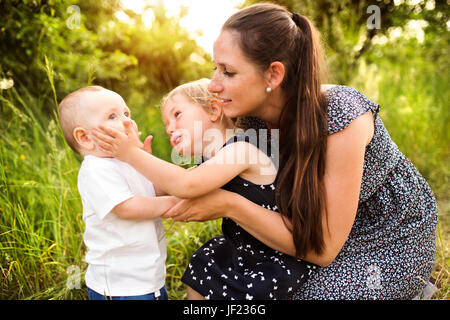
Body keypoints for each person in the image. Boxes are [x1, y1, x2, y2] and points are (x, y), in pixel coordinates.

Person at [160, 3, 437, 300]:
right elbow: (200, 172)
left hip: (385, 235)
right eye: (214, 68)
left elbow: (323, 249)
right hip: (305, 230)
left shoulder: (341, 116)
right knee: (253, 285)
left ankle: (412, 286)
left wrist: (230, 205)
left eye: (228, 72)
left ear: (273, 75)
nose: (213, 85)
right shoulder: (250, 117)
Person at [91, 78, 319, 300]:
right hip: (244, 251)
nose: (170, 129)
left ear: (213, 110)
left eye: (177, 115)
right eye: (166, 124)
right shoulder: (209, 162)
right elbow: (175, 191)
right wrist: (142, 165)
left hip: (276, 257)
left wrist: (132, 154)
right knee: (204, 261)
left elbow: (186, 184)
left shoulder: (242, 148)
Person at [58, 85, 178, 300]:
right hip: (119, 285)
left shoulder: (129, 161)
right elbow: (127, 207)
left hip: (149, 276)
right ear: (85, 138)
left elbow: (154, 194)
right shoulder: (96, 169)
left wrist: (146, 164)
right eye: (112, 116)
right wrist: (175, 202)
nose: (126, 121)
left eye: (126, 113)